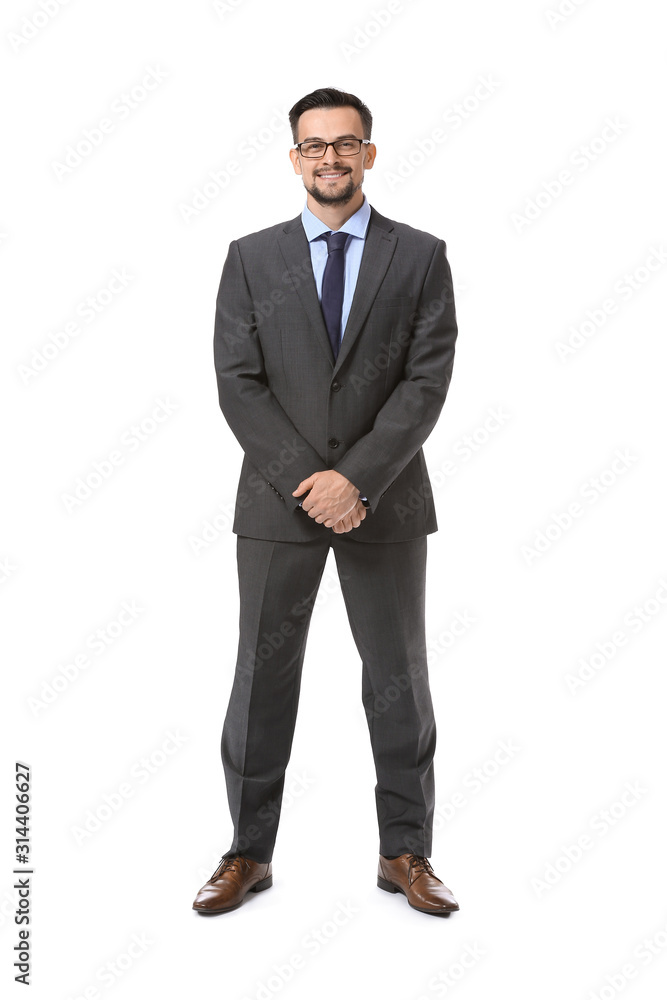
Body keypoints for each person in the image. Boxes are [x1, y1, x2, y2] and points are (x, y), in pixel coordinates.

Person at [192, 87, 460, 917]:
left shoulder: (418, 255)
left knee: (398, 677)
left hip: (386, 502)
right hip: (278, 505)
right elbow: (238, 383)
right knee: (261, 676)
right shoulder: (249, 258)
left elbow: (426, 379)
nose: (331, 158)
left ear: (369, 154)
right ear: (294, 157)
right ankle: (247, 853)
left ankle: (404, 852)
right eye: (315, 146)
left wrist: (361, 479)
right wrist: (312, 482)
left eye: (347, 144)